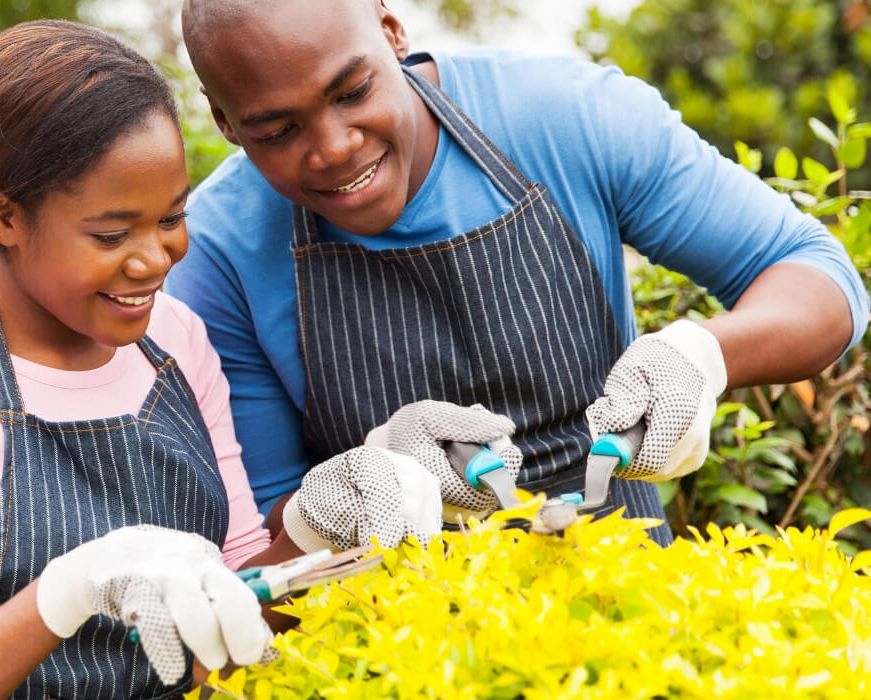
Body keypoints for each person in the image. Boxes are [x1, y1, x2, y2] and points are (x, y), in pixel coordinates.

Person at [0, 19, 457, 699]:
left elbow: (240, 602)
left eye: (171, 219)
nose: (154, 261)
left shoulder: (175, 340)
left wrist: (320, 520)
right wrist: (66, 593)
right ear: (6, 217)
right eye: (112, 233)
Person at [170, 0, 871, 545]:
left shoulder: (565, 118)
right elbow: (255, 545)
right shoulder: (219, 254)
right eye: (278, 131)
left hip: (638, 611)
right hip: (394, 650)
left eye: (352, 92)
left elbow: (820, 277)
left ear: (391, 33)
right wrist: (339, 500)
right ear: (226, 122)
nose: (333, 148)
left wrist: (705, 355)